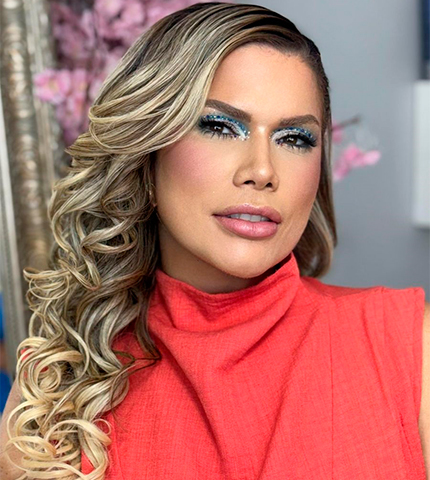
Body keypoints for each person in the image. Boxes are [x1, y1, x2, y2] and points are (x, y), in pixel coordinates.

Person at [1, 2, 429, 479]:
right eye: (220, 126)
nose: (262, 171)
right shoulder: (58, 388)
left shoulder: (408, 347)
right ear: (148, 151)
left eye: (294, 138)